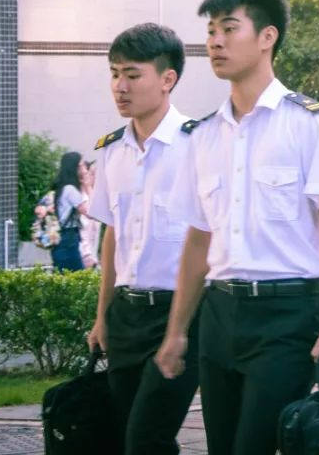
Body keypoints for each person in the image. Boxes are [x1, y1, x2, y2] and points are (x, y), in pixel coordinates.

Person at [154, 0, 319, 455]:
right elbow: (198, 241)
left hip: (287, 318)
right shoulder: (204, 136)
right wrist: (177, 331)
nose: (215, 42)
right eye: (211, 32)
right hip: (219, 317)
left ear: (267, 37)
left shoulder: (309, 123)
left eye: (229, 29)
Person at [85, 23, 201, 455]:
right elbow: (112, 236)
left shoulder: (199, 144)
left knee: (146, 437)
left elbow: (210, 239)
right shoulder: (111, 150)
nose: (120, 86)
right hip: (126, 316)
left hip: (179, 313)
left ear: (167, 79)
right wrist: (102, 317)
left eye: (133, 75)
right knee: (128, 437)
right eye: (115, 74)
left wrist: (181, 329)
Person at [51, 152, 89, 272]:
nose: (85, 169)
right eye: (82, 165)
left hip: (63, 238)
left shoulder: (63, 188)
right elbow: (90, 212)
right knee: (78, 275)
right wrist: (88, 186)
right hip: (68, 239)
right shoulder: (70, 189)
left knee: (64, 274)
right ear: (75, 168)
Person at [80, 161, 101, 269]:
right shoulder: (80, 198)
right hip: (83, 257)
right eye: (92, 173)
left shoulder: (95, 196)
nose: (96, 177)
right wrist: (87, 254)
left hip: (92, 258)